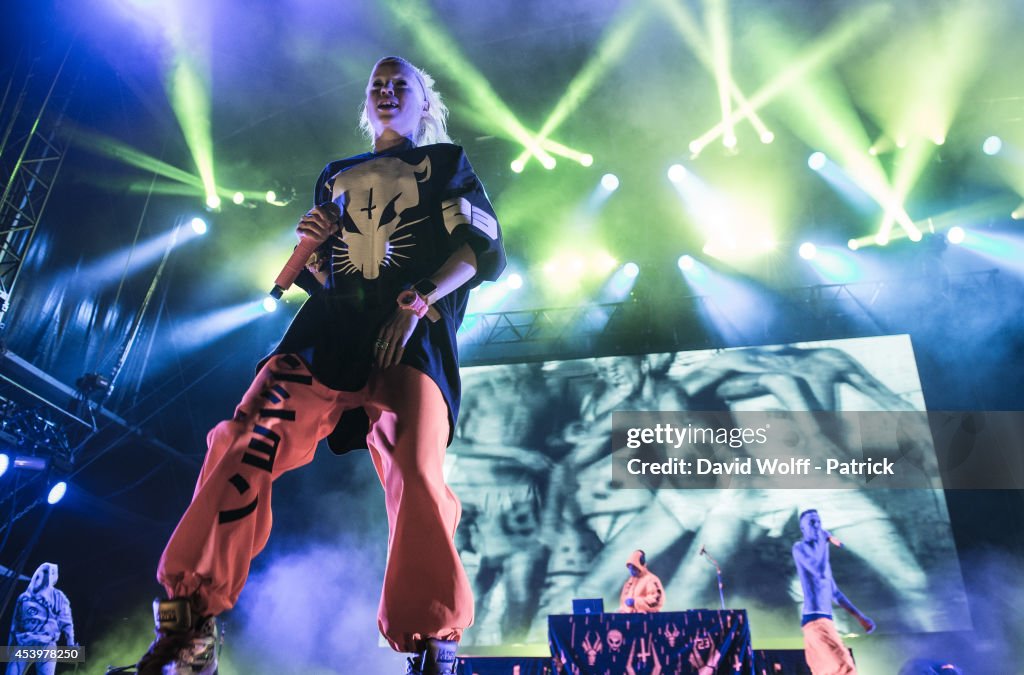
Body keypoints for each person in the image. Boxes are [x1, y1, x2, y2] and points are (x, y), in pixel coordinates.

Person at [133, 55, 505, 675]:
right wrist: (315, 253)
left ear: (423, 102)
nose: (387, 93)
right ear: (366, 104)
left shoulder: (444, 164)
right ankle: (190, 622)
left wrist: (417, 301)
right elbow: (330, 274)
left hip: (412, 331)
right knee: (248, 436)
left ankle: (434, 638)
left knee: (416, 467)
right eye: (376, 86)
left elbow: (478, 247)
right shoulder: (334, 174)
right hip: (329, 329)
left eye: (400, 85)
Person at [792, 509, 875, 675]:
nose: (816, 526)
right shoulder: (800, 548)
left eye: (818, 521)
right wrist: (824, 542)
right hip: (816, 622)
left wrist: (861, 618)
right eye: (811, 522)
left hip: (824, 621)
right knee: (844, 668)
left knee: (827, 671)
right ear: (803, 529)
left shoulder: (821, 554)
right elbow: (818, 570)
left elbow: (835, 593)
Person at [5, 562, 76, 675]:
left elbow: (66, 622)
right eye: (41, 571)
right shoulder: (23, 598)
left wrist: (70, 644)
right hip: (24, 643)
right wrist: (10, 647)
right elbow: (15, 624)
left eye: (47, 572)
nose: (43, 575)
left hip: (46, 644)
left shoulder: (58, 596)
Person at [617, 549, 665, 613]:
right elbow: (623, 602)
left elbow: (656, 600)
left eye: (633, 568)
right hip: (630, 620)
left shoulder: (651, 579)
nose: (631, 571)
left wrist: (635, 602)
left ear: (639, 566)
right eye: (630, 568)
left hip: (646, 620)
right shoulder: (630, 582)